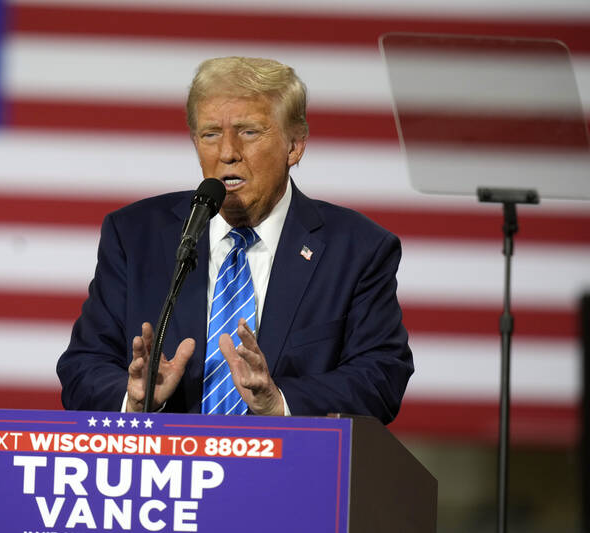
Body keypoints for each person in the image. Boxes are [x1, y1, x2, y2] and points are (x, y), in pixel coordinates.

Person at [57, 57, 413, 422]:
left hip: (288, 470)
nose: (227, 152)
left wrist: (280, 403)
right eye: (210, 134)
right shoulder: (135, 236)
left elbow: (381, 375)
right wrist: (137, 401)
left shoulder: (356, 249)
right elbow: (83, 366)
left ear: (295, 146)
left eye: (248, 132)